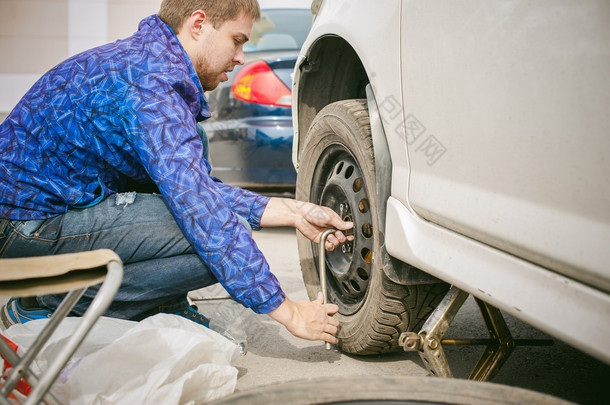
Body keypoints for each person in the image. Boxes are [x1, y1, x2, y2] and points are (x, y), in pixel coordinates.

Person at [0, 0, 353, 346]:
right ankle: (47, 306)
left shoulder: (148, 62)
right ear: (198, 24)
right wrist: (289, 312)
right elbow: (201, 209)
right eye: (237, 40)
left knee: (210, 202)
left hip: (40, 213)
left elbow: (190, 187)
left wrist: (294, 212)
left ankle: (155, 303)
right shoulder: (150, 87)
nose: (241, 57)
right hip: (24, 225)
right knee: (214, 241)